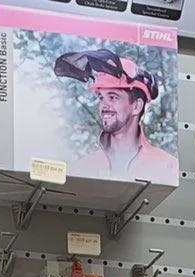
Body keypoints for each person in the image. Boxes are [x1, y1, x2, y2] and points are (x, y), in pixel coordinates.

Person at [58, 51, 175, 182]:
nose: (103, 106)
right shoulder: (83, 168)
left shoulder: (167, 166)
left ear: (137, 106)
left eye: (113, 97)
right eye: (101, 98)